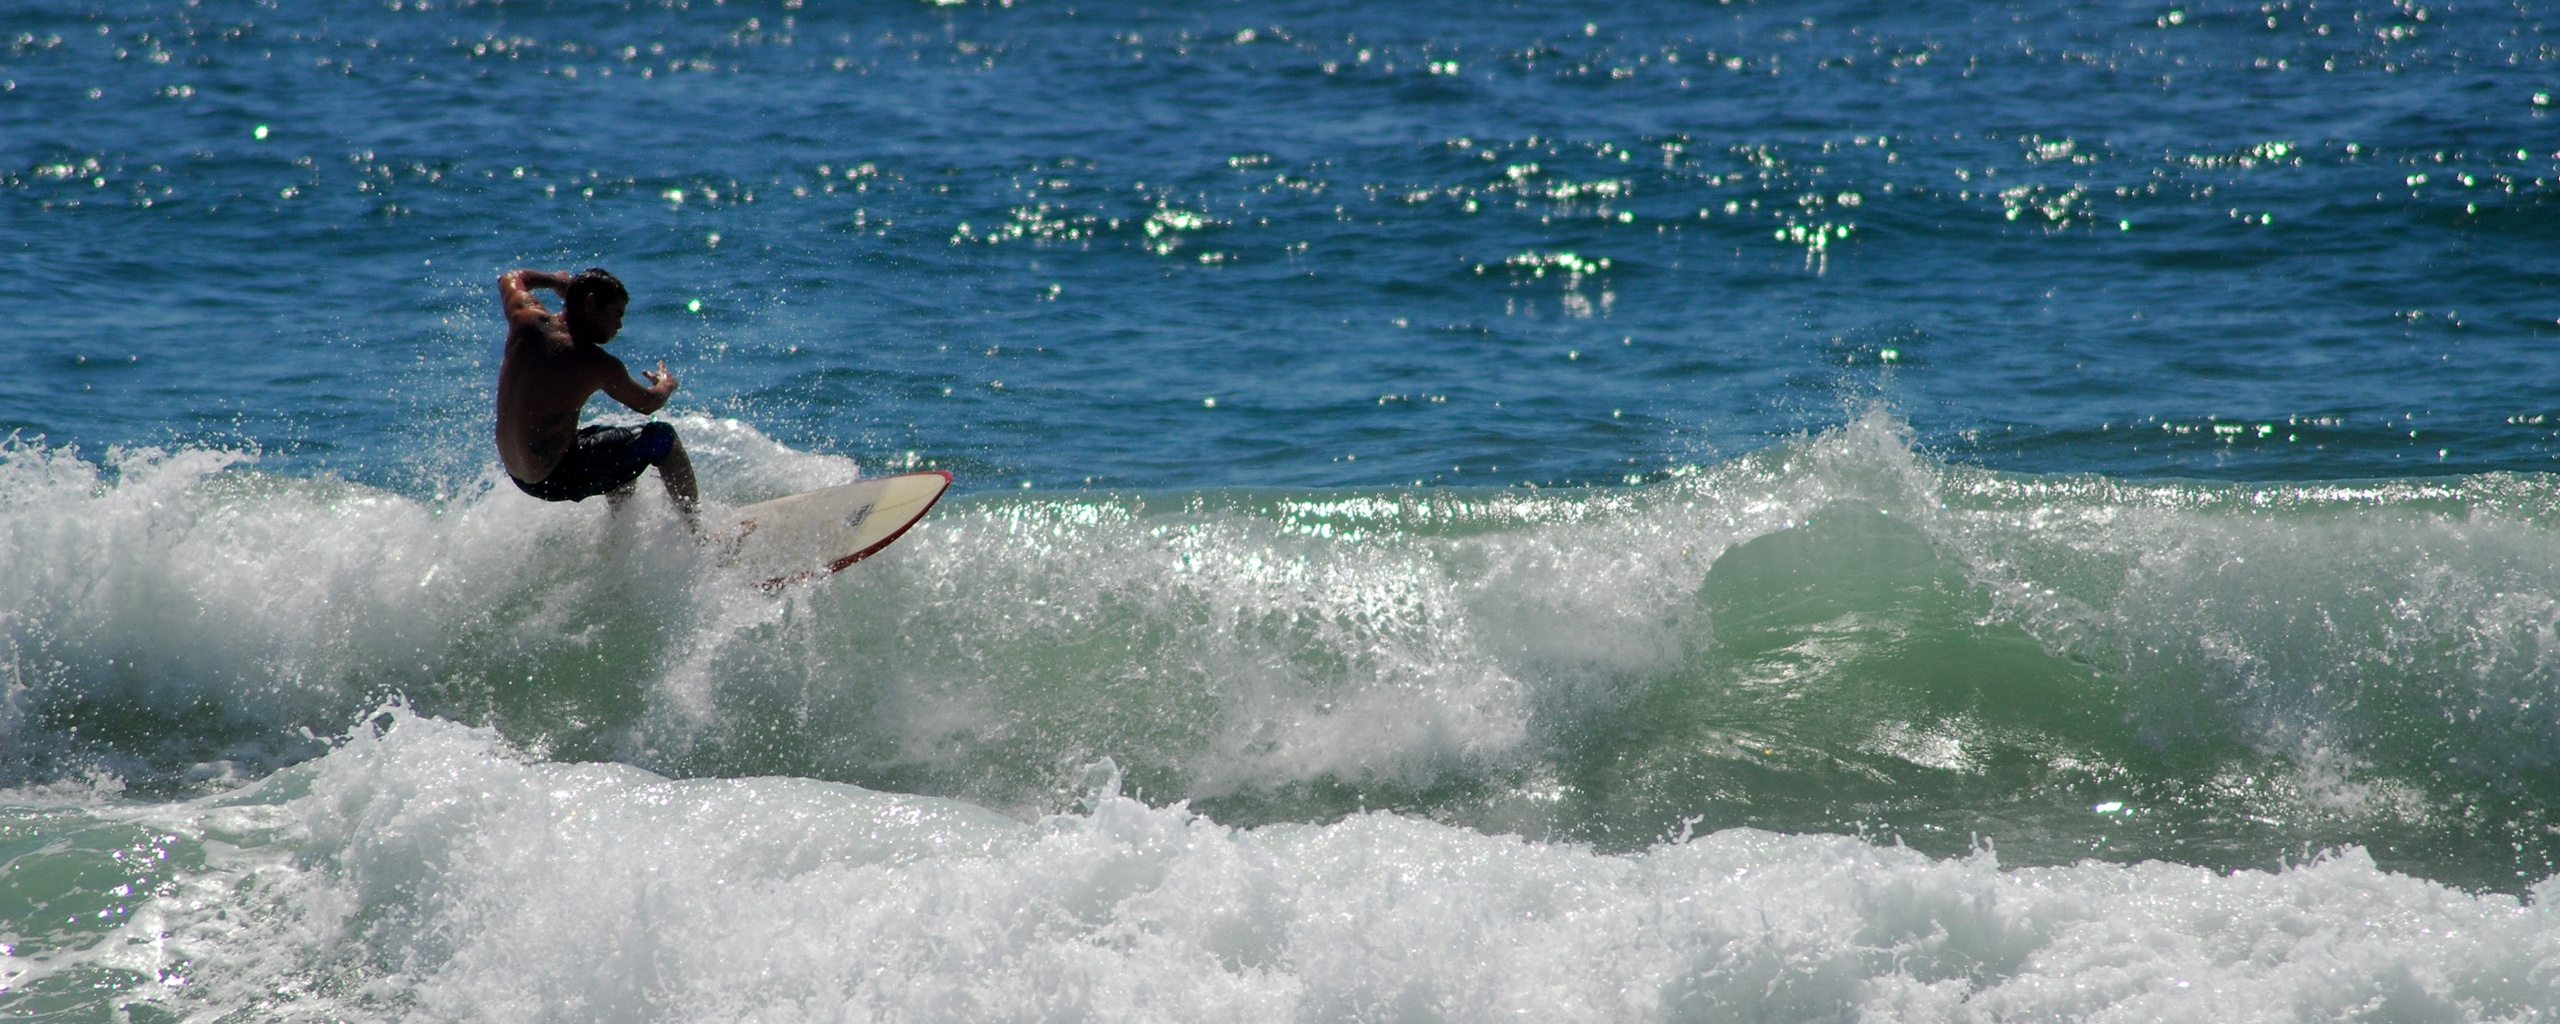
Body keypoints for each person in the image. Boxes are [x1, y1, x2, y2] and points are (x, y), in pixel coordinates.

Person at [493, 267, 699, 528]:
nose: (620, 325)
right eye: (616, 314)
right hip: (555, 476)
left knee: (615, 443)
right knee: (662, 438)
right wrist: (666, 385)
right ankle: (698, 534)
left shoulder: (526, 319)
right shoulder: (596, 363)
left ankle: (617, 537)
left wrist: (557, 281)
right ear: (591, 303)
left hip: (518, 473)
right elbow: (648, 404)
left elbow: (510, 278)